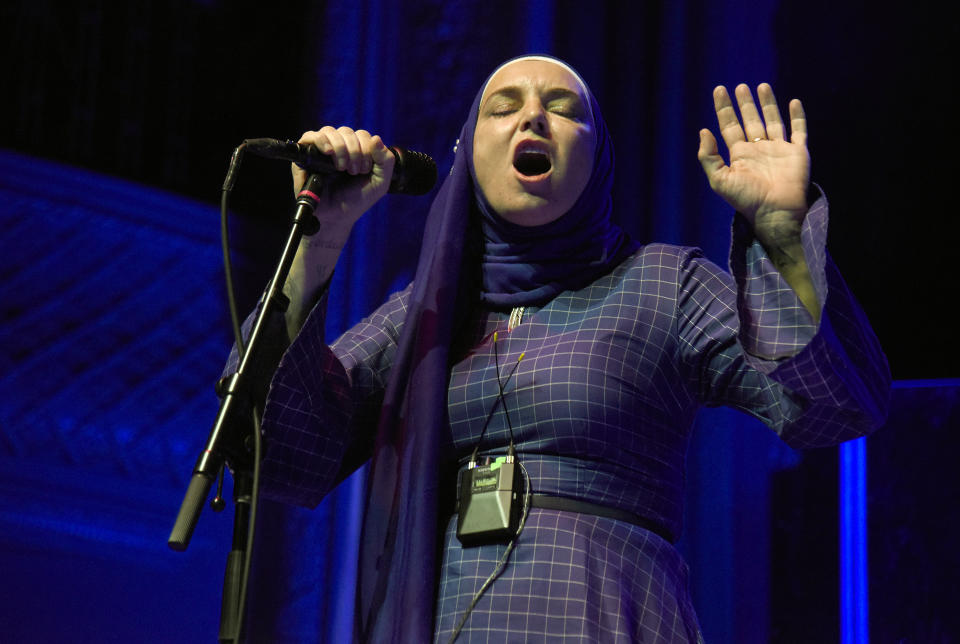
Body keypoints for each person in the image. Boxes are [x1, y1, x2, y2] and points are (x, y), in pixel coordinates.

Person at [226, 55, 889, 642]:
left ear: (598, 157)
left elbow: (831, 407)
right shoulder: (426, 312)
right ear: (467, 154)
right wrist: (320, 239)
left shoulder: (663, 283)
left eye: (563, 109)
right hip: (451, 618)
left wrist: (780, 234)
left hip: (606, 609)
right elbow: (279, 453)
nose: (533, 119)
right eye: (503, 107)